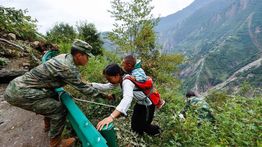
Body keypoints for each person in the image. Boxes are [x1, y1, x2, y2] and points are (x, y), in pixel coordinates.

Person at [4, 39, 112, 147]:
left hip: (17, 85)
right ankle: (56, 143)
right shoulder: (68, 68)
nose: (88, 59)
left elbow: (79, 82)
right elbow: (84, 88)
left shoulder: (64, 57)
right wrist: (104, 96)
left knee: (52, 96)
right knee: (58, 110)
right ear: (79, 55)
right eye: (87, 56)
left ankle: (48, 126)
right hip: (20, 92)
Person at [93, 63, 161, 136]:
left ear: (117, 75)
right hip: (140, 103)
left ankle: (158, 132)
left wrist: (111, 117)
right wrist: (91, 85)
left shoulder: (127, 82)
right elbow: (107, 86)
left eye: (109, 79)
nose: (109, 81)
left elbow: (127, 98)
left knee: (145, 126)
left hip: (149, 104)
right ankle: (138, 138)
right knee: (134, 125)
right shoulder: (121, 78)